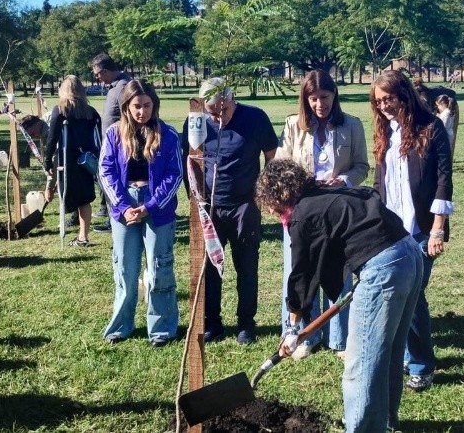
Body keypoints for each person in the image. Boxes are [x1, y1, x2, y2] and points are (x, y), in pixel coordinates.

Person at [256, 159, 422, 432]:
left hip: (385, 267)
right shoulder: (327, 193)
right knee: (388, 352)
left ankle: (363, 428)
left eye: (270, 206)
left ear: (275, 198)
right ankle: (386, 424)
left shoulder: (303, 214)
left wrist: (292, 327)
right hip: (408, 253)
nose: (272, 212)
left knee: (362, 363)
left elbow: (302, 275)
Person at [275, 69, 369, 360]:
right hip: (301, 211)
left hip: (339, 211)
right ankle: (304, 335)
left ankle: (340, 339)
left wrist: (344, 181)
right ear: (305, 99)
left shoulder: (352, 125)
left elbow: (361, 166)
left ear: (334, 95)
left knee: (337, 270)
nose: (320, 104)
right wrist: (300, 184)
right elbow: (281, 166)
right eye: (313, 99)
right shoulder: (292, 126)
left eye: (325, 97)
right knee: (300, 271)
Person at [371, 70, 454, 392]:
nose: (384, 107)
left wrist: (437, 230)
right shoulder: (384, 132)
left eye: (388, 99)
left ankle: (421, 365)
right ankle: (407, 354)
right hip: (391, 230)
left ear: (404, 94)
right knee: (398, 293)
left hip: (421, 230)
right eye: (378, 102)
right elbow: (381, 183)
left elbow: (445, 180)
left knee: (413, 294)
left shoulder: (431, 128)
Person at [181, 77, 278, 345]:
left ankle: (246, 324)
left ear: (233, 100)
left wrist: (263, 193)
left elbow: (271, 156)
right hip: (208, 207)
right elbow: (186, 160)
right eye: (212, 112)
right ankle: (213, 322)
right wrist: (195, 199)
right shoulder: (195, 122)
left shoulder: (255, 118)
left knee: (246, 265)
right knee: (210, 268)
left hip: (245, 205)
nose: (218, 117)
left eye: (223, 110)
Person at [100, 80, 181, 347]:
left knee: (159, 267)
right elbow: (106, 171)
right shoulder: (113, 134)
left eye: (147, 105)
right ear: (126, 106)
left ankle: (161, 328)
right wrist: (123, 208)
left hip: (156, 207)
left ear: (154, 105)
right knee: (125, 268)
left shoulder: (168, 135)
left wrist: (150, 205)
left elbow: (174, 174)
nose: (141, 112)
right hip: (124, 206)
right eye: (136, 106)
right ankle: (121, 325)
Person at [43, 75, 101, 247]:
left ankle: (80, 236)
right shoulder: (90, 111)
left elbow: (52, 137)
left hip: (68, 160)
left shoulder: (60, 109)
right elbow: (98, 136)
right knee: (85, 199)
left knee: (69, 193)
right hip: (86, 160)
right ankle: (83, 236)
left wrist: (47, 161)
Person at [90, 53, 132, 231]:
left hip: (121, 145)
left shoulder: (123, 87)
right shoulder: (115, 87)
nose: (97, 77)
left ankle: (117, 217)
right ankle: (113, 214)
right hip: (112, 143)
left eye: (98, 73)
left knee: (116, 180)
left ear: (105, 71)